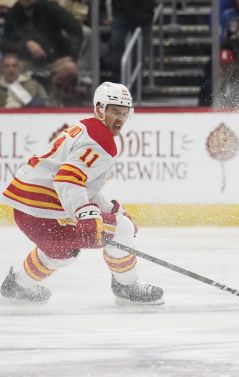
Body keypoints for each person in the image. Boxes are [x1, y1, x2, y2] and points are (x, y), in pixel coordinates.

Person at [0, 82, 164, 305]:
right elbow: (68, 178)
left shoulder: (87, 127)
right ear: (99, 109)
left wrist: (112, 210)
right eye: (115, 111)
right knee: (121, 229)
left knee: (62, 252)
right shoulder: (100, 138)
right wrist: (85, 214)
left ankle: (17, 285)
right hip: (43, 212)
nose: (120, 119)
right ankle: (127, 287)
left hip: (30, 211)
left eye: (124, 113)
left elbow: (82, 185)